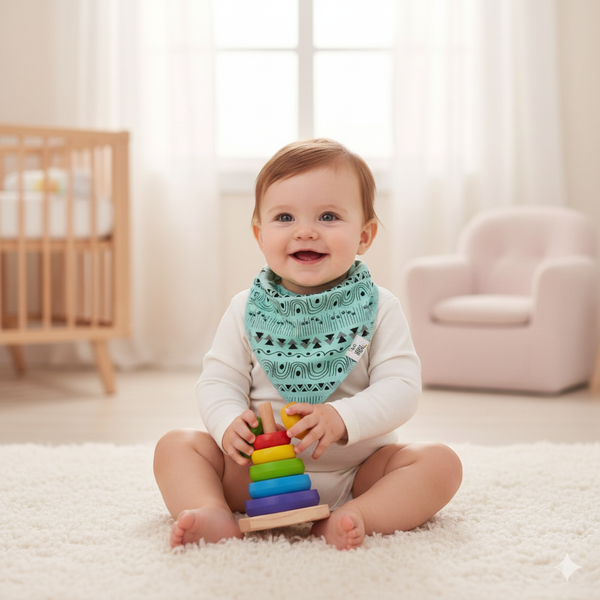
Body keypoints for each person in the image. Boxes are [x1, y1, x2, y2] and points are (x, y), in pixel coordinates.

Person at [154, 139, 462, 550]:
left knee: (441, 463)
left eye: (329, 216)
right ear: (260, 235)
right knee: (176, 446)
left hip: (358, 473)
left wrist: (342, 417)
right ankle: (211, 510)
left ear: (365, 235)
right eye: (284, 217)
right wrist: (228, 421)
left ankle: (358, 515)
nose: (305, 230)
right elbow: (218, 381)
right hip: (257, 475)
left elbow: (401, 389)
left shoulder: (380, 308)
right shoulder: (246, 309)